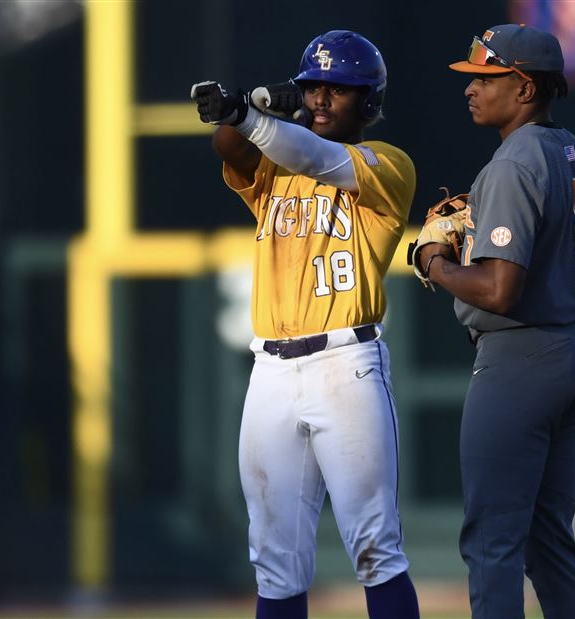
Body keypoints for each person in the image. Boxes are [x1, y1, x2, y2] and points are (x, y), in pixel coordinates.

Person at [191, 30, 420, 619]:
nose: (321, 99)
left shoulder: (388, 165)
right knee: (273, 559)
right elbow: (228, 147)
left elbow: (315, 158)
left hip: (346, 365)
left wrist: (253, 113)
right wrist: (255, 107)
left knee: (375, 549)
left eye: (337, 89)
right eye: (313, 86)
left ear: (368, 101)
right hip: (270, 369)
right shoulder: (273, 162)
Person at [413, 24, 575, 619]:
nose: (471, 88)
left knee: (492, 543)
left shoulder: (512, 164)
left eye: (486, 77)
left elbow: (500, 289)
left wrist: (435, 263)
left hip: (520, 359)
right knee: (549, 542)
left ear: (524, 87)